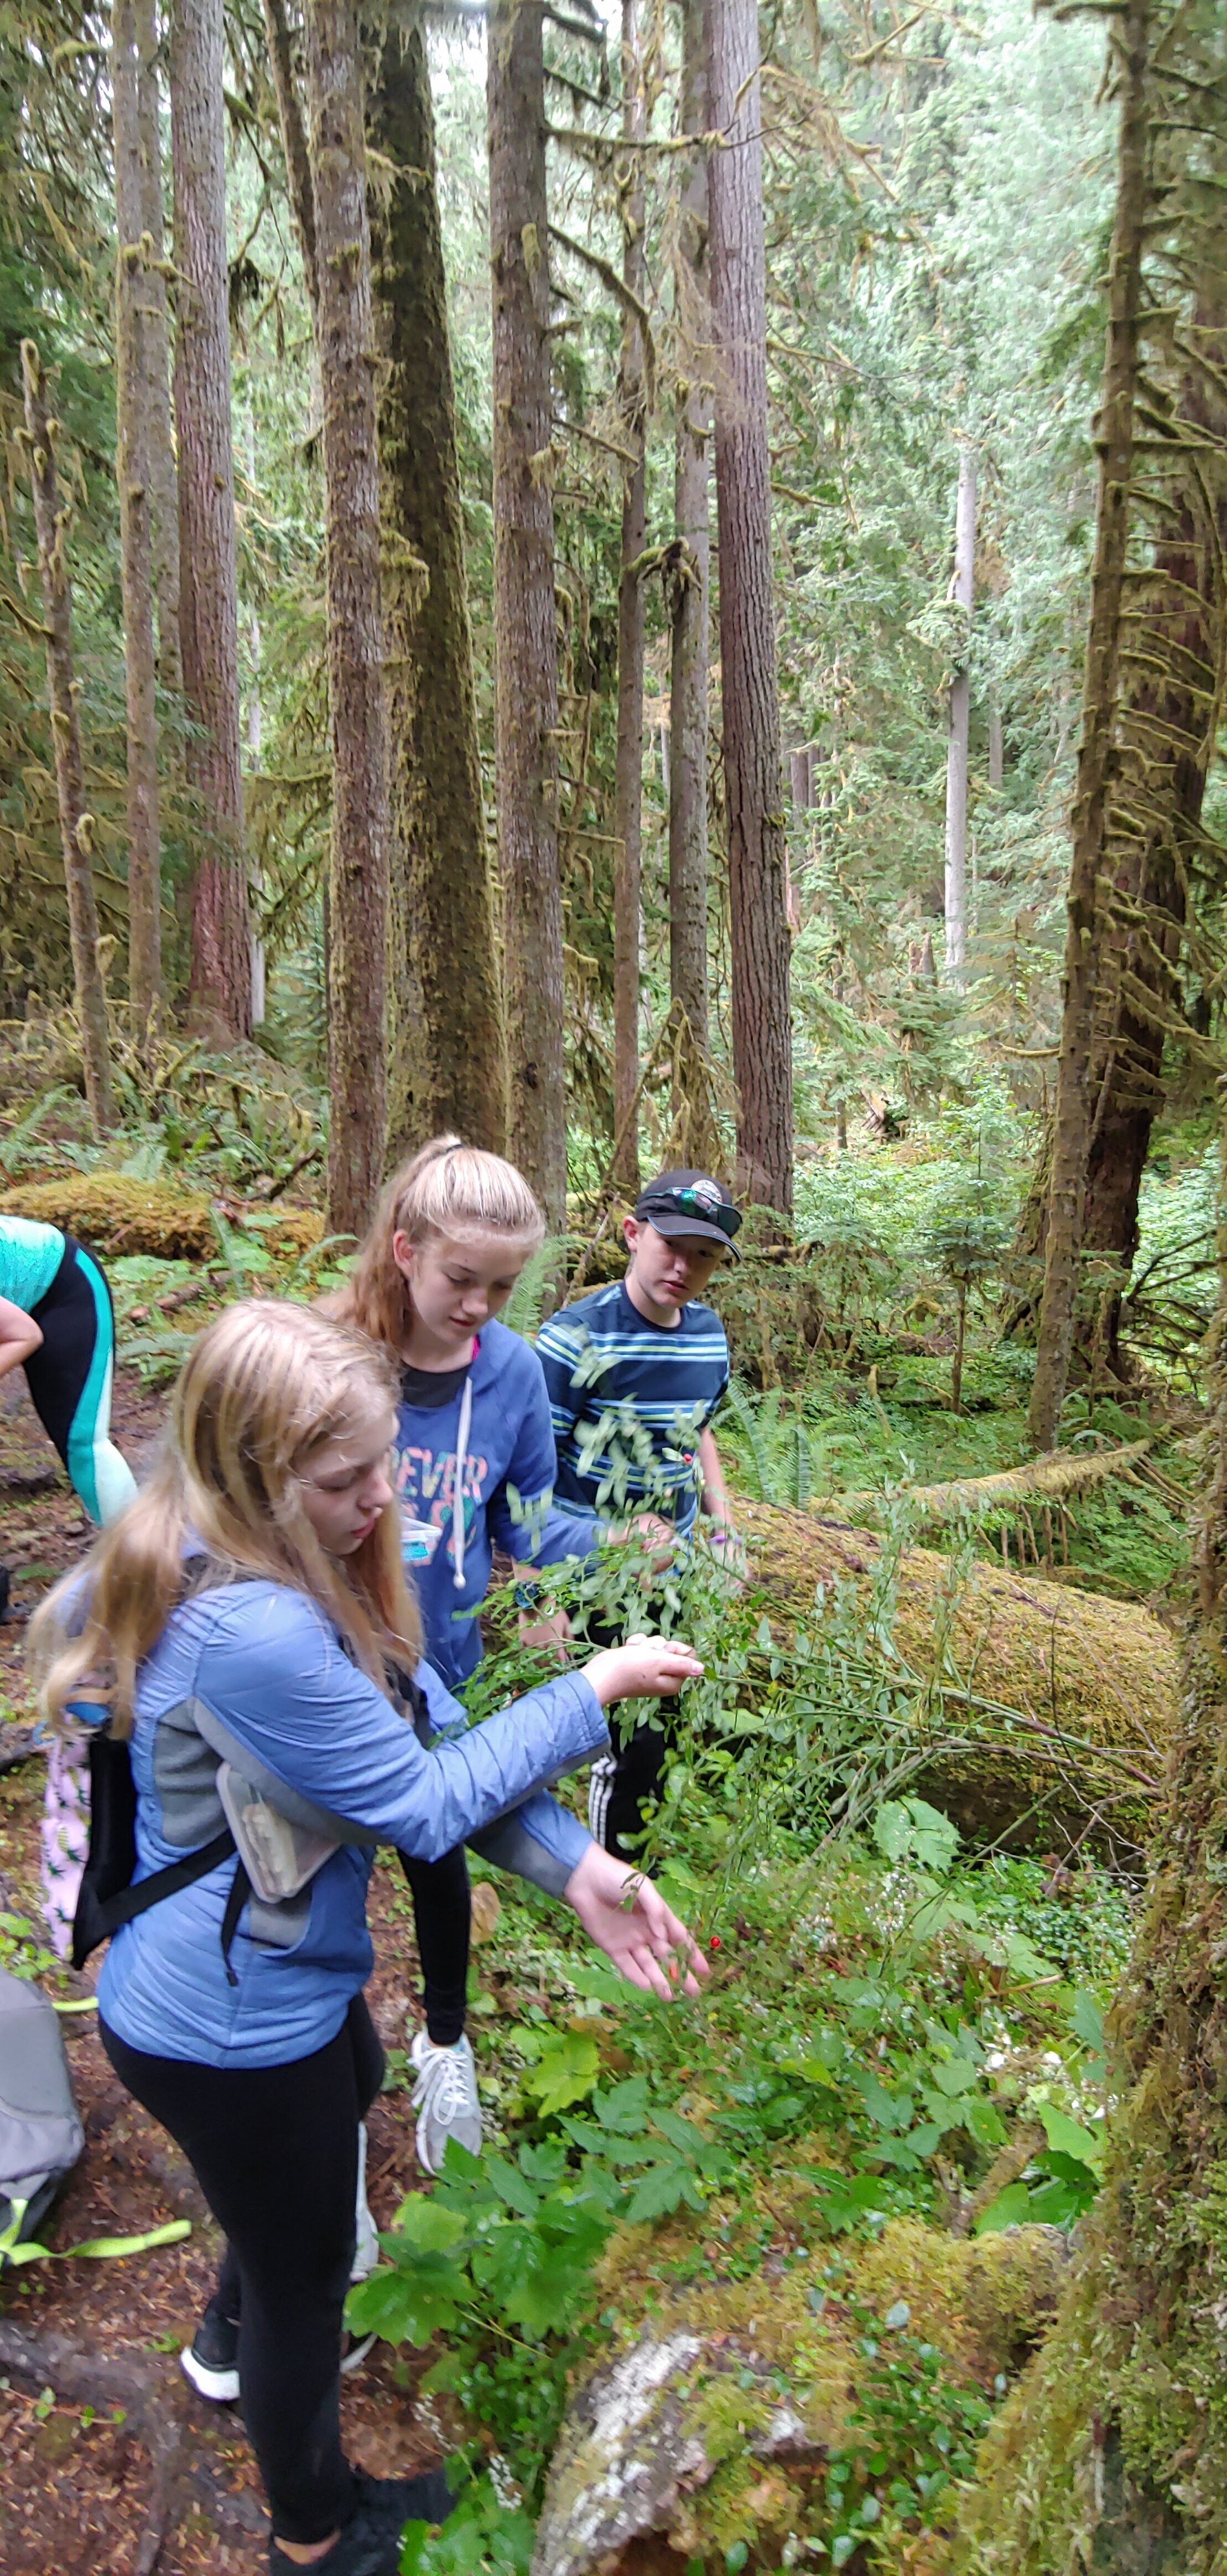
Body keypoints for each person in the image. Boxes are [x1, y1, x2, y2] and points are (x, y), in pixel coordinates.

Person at [28, 1301, 705, 2576]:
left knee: (354, 2084)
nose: (382, 1497)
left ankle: (224, 2332)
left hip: (250, 1982)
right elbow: (424, 1806)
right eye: (348, 1479)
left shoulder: (272, 1557)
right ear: (257, 1477)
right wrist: (588, 1691)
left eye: (383, 1459)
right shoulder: (256, 1631)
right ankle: (316, 2532)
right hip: (220, 2020)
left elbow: (427, 1735)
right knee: (313, 2277)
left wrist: (578, 1870)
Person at [334, 1138, 612, 2173]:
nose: (482, 1306)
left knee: (438, 1851)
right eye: (461, 1279)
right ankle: (326, 2100)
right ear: (404, 1250)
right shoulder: (334, 1356)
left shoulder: (511, 1374)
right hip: (327, 1663)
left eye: (503, 1285)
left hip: (438, 1664)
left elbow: (530, 1529)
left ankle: (443, 2038)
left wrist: (617, 1550)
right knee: (314, 1881)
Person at [536, 1168, 742, 1861]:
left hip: (671, 1571)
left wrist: (722, 1524)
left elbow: (699, 1430)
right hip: (591, 1570)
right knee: (624, 1735)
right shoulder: (574, 1340)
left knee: (657, 1722)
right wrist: (541, 1592)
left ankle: (622, 1863)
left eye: (704, 1255)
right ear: (632, 1234)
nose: (684, 1267)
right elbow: (530, 1469)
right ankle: (610, 1878)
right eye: (671, 1245)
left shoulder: (709, 1338)